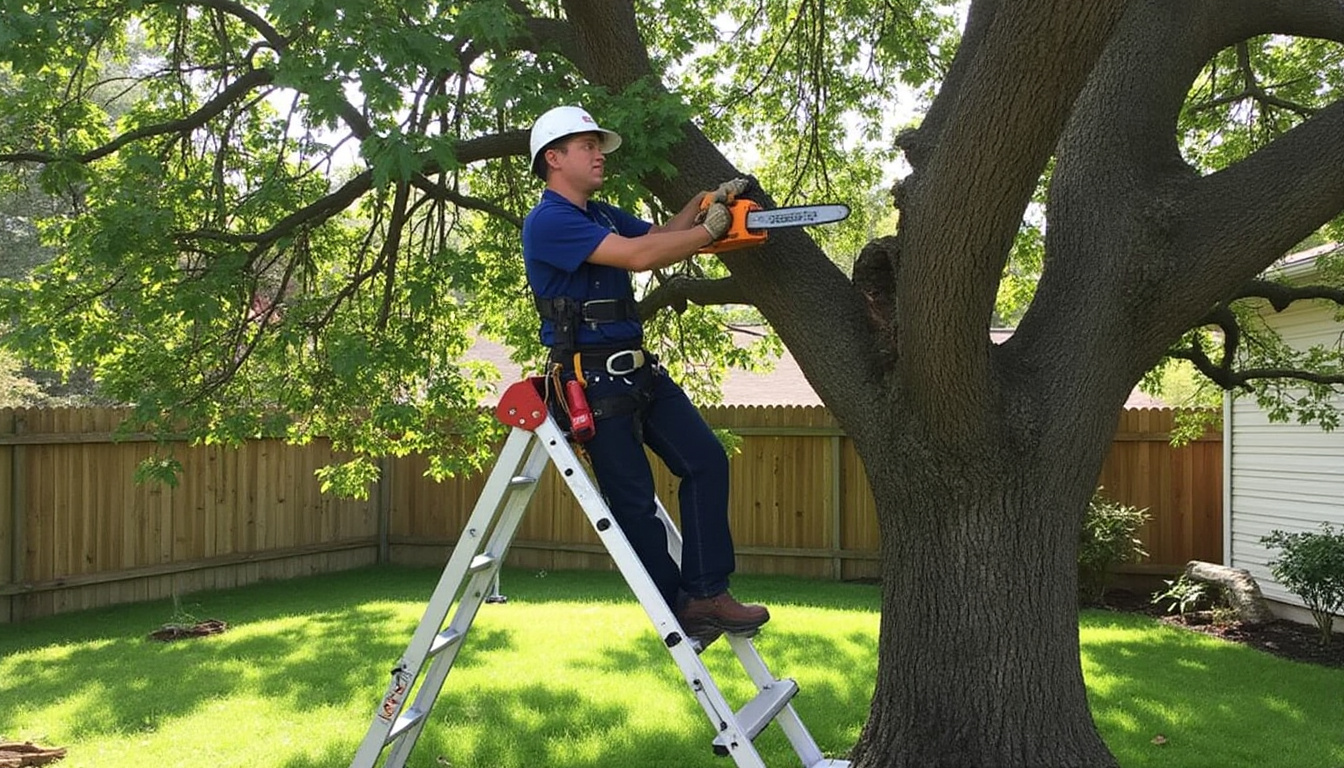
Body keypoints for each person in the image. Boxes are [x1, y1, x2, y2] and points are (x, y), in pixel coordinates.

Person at [521, 105, 769, 649]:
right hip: (592, 383)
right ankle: (677, 610)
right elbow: (637, 258)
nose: (598, 154)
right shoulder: (550, 221)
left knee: (705, 460)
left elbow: (658, 237)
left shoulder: (601, 215)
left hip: (637, 370)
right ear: (554, 159)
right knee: (633, 504)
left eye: (597, 144)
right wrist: (707, 231)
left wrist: (703, 205)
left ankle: (707, 591)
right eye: (586, 146)